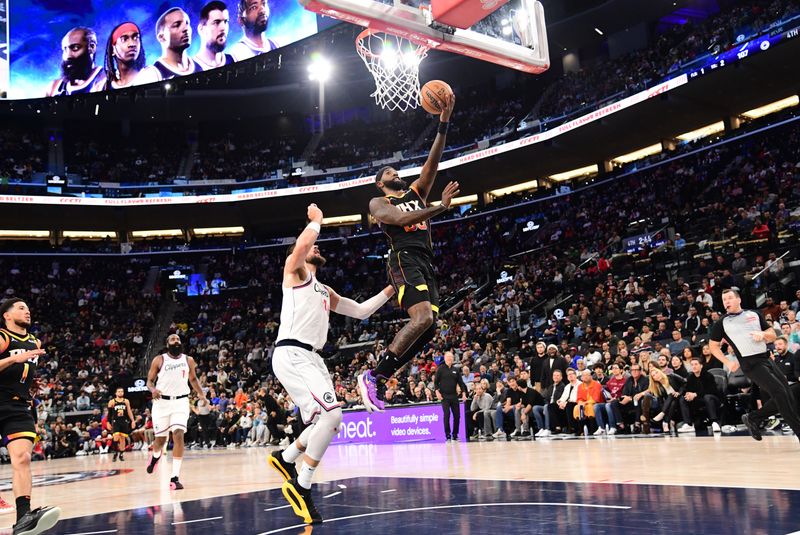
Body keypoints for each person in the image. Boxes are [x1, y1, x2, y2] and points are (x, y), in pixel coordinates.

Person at [267, 203, 395, 525]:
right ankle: (302, 484)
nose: (317, 246)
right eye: (314, 245)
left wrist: (391, 289)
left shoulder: (324, 290)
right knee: (332, 414)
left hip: (312, 357)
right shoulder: (296, 273)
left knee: (324, 423)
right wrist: (317, 221)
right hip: (293, 353)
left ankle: (286, 458)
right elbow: (299, 248)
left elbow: (362, 311)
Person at [357, 93, 458, 412]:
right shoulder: (380, 204)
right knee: (423, 317)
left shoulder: (416, 191)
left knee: (429, 329)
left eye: (395, 170)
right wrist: (438, 208)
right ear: (379, 183)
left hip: (425, 261)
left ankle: (380, 375)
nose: (394, 172)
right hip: (403, 259)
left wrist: (443, 121)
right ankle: (372, 377)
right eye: (388, 172)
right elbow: (399, 220)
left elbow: (433, 162)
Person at [0, 298, 61, 534]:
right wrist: (15, 359)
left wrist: (29, 381)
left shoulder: (34, 341)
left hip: (17, 406)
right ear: (6, 315)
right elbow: (14, 362)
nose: (27, 312)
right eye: (21, 308)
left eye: (27, 308)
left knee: (23, 458)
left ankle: (23, 518)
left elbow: (20, 369)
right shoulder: (3, 337)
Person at [710, 289, 800, 442]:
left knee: (787, 393)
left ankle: (753, 417)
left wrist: (763, 335)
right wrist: (727, 362)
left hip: (766, 359)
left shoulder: (754, 314)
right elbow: (713, 346)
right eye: (724, 299)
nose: (727, 301)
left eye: (730, 298)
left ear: (739, 300)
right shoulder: (722, 323)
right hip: (750, 363)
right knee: (780, 393)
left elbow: (772, 334)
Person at [145, 333, 207, 490]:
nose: (176, 341)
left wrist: (202, 395)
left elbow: (193, 379)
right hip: (161, 403)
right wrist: (152, 389)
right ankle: (155, 458)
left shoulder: (188, 360)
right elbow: (149, 381)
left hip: (180, 401)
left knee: (178, 433)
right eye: (173, 339)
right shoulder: (159, 360)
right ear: (167, 343)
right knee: (160, 441)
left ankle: (174, 478)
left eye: (178, 339)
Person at [137, 8, 203, 84]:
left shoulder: (199, 67)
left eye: (187, 23)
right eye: (177, 25)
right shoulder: (152, 75)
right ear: (162, 37)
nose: (186, 28)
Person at [46, 27, 103, 96]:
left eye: (75, 48)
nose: (68, 56)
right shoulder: (54, 88)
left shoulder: (107, 81)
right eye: (65, 50)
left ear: (92, 47)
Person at [98, 22, 146, 90]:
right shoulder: (104, 86)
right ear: (113, 50)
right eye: (124, 39)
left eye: (135, 38)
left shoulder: (149, 76)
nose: (132, 44)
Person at [433, 351, 467, 441]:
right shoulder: (440, 369)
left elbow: (461, 383)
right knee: (447, 415)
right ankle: (447, 435)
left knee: (457, 416)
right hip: (444, 396)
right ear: (445, 359)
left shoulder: (455, 370)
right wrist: (437, 392)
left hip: (454, 396)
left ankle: (455, 435)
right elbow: (436, 382)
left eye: (451, 358)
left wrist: (463, 393)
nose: (449, 359)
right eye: (448, 358)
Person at [643, 366, 685, 434]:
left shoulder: (671, 376)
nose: (656, 375)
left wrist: (679, 392)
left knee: (671, 395)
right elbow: (661, 402)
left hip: (681, 398)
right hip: (671, 405)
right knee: (672, 400)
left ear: (660, 372)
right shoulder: (658, 387)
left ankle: (662, 416)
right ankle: (665, 423)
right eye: (653, 375)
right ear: (653, 379)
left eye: (656, 373)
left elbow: (684, 383)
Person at [194, 1, 236, 70]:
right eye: (216, 22)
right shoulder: (193, 69)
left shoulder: (232, 60)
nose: (223, 28)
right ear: (201, 29)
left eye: (225, 21)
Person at [533, 369, 565, 437]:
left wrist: (547, 405)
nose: (555, 377)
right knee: (535, 408)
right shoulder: (550, 387)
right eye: (554, 375)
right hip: (548, 405)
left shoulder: (563, 386)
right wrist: (546, 404)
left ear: (561, 377)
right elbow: (546, 398)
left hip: (556, 406)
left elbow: (561, 398)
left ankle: (548, 429)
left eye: (557, 375)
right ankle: (541, 428)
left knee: (547, 407)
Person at [107, 387, 134, 462]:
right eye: (119, 391)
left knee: (123, 439)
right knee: (116, 437)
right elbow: (109, 414)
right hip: (116, 421)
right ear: (116, 393)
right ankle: (115, 452)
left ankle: (121, 454)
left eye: (122, 391)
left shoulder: (126, 401)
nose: (120, 393)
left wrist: (132, 421)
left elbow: (129, 411)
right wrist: (108, 422)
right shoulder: (112, 402)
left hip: (124, 421)